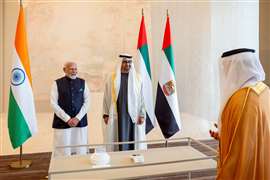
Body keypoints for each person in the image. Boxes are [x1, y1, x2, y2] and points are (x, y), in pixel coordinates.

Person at [210, 48, 270, 179]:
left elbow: (240, 154)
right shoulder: (265, 91)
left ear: (236, 70)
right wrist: (223, 135)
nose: (226, 74)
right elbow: (254, 135)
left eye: (228, 69)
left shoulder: (242, 99)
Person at [102, 54, 146, 151]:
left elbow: (142, 98)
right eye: (125, 62)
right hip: (118, 113)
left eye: (130, 62)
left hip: (133, 115)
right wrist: (105, 114)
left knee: (133, 139)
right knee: (117, 137)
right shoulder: (112, 78)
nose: (127, 65)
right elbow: (106, 97)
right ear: (120, 63)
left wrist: (142, 114)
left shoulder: (138, 78)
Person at [50, 62, 90, 156]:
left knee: (80, 148)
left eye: (76, 69)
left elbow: (87, 102)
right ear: (64, 70)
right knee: (63, 149)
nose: (74, 71)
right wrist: (67, 119)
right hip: (62, 122)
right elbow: (53, 103)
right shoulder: (57, 83)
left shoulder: (83, 82)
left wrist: (77, 118)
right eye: (71, 69)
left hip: (80, 121)